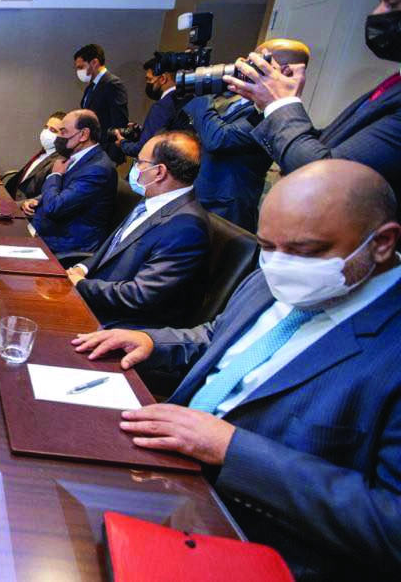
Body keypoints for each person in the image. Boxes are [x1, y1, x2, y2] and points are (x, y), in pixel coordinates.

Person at [71, 160, 401, 581]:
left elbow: (391, 524)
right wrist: (153, 342)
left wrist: (233, 450)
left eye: (304, 250)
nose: (280, 263)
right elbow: (220, 337)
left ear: (382, 243)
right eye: (268, 246)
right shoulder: (275, 273)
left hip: (250, 537)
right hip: (165, 471)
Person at [227, 0, 401, 210]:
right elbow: (325, 147)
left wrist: (280, 104)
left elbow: (326, 178)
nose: (376, 13)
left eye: (393, 4)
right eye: (381, 2)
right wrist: (275, 106)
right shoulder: (393, 84)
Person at [67, 131, 210, 328]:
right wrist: (81, 269)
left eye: (140, 162)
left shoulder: (187, 228)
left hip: (118, 324)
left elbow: (140, 295)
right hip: (96, 298)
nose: (135, 168)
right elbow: (112, 249)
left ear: (159, 172)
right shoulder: (153, 200)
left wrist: (82, 285)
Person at [188, 39, 310, 233]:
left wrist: (200, 95)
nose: (245, 64)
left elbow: (219, 139)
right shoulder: (236, 98)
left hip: (226, 208)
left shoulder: (275, 115)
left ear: (285, 71)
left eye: (258, 60)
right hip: (200, 195)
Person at [22, 110, 116, 256]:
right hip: (44, 232)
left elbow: (55, 208)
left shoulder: (98, 169)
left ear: (83, 134)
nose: (58, 137)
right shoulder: (77, 156)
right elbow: (67, 191)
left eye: (63, 132)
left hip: (64, 246)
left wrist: (55, 175)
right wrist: (37, 200)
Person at [75, 43, 128, 165]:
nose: (78, 71)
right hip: (91, 150)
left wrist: (111, 159)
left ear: (94, 62)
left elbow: (119, 123)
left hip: (105, 153)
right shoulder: (90, 87)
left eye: (81, 67)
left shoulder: (113, 84)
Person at [115, 62, 180, 158]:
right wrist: (143, 132)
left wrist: (122, 143)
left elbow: (144, 148)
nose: (147, 84)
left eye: (149, 79)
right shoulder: (186, 99)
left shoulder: (162, 106)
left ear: (162, 79)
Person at [5, 111, 66, 200]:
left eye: (53, 130)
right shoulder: (43, 152)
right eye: (46, 127)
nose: (46, 132)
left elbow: (46, 194)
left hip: (25, 205)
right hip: (11, 198)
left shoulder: (60, 161)